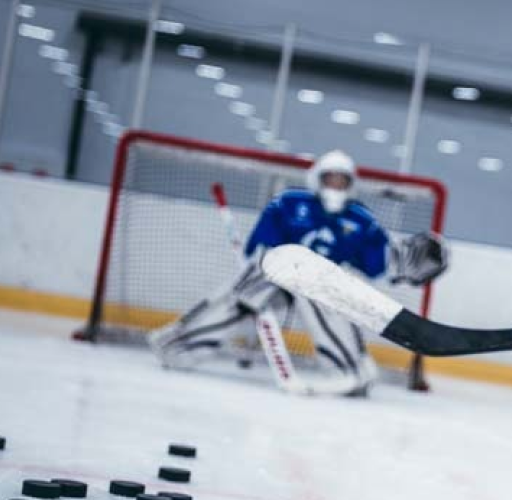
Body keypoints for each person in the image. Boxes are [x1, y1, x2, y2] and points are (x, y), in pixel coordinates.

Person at [149, 149, 447, 396]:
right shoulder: (289, 203)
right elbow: (262, 248)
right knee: (244, 290)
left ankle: (350, 369)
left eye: (342, 181)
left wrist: (405, 265)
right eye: (330, 178)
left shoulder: (361, 220)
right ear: (317, 178)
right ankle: (182, 343)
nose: (335, 185)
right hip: (278, 277)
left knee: (332, 293)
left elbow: (379, 264)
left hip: (321, 286)